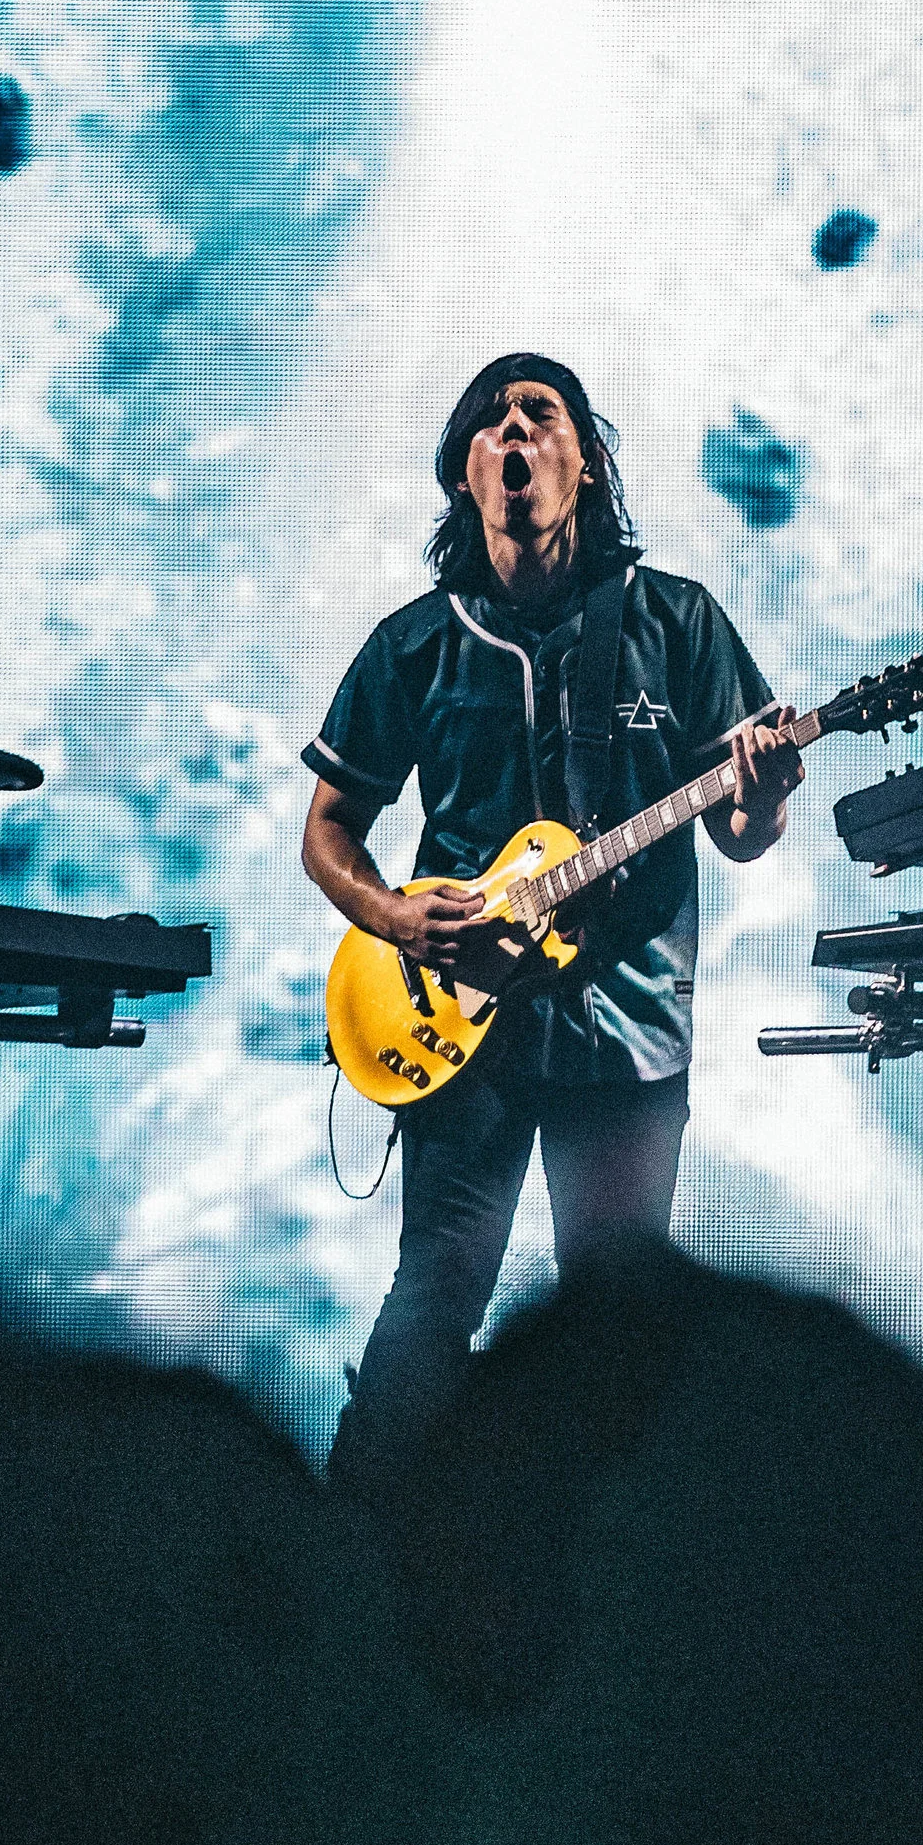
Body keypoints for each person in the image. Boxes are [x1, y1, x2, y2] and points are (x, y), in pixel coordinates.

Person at [301, 355, 801, 1494]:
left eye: (541, 415)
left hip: (626, 1030)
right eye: (490, 422)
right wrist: (392, 916)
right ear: (464, 475)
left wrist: (762, 788)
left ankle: (599, 1575)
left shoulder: (674, 622)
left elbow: (738, 834)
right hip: (457, 1027)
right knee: (437, 1288)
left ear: (587, 463)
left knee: (615, 1312)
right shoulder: (413, 644)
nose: (514, 432)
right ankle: (352, 1545)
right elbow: (327, 827)